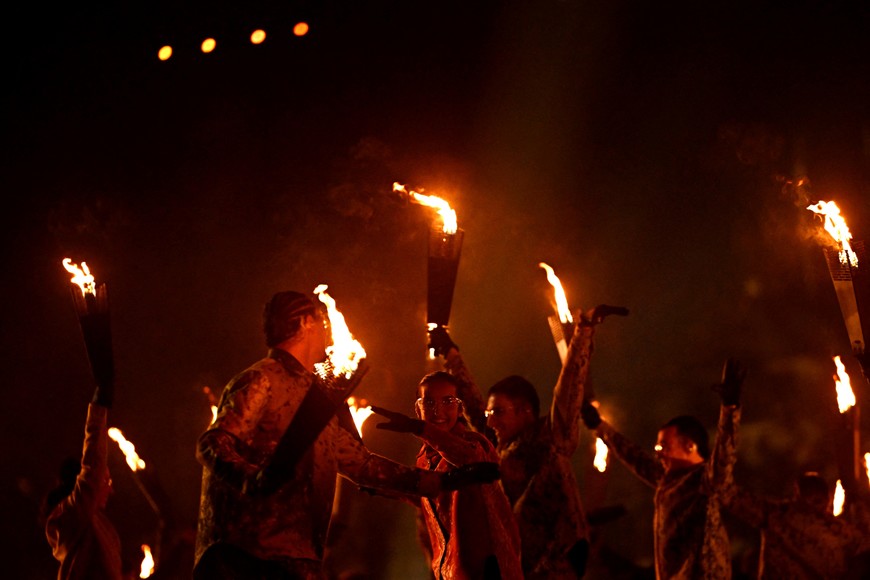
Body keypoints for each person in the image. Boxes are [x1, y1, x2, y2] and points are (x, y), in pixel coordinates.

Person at [194, 290, 498, 579]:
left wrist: (442, 482)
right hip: (246, 558)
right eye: (323, 324)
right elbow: (212, 444)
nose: (328, 335)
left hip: (299, 559)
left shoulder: (315, 397)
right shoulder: (262, 379)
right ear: (304, 323)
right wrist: (252, 479)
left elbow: (361, 465)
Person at [427, 305, 623, 578]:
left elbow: (568, 390)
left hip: (557, 571)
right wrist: (451, 354)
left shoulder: (550, 441)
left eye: (498, 412)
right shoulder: (500, 447)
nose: (491, 421)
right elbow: (473, 406)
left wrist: (583, 331)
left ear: (525, 412)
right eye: (490, 414)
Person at [580, 358, 745, 579]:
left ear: (690, 446)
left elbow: (725, 457)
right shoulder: (668, 480)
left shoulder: (705, 481)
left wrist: (730, 410)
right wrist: (598, 426)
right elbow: (635, 457)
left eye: (663, 445)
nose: (657, 452)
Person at [372, 371, 523, 579]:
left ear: (460, 408)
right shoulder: (424, 458)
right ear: (418, 408)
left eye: (448, 401)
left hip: (489, 571)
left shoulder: (475, 445)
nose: (438, 410)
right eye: (429, 402)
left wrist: (418, 428)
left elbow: (469, 461)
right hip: (451, 572)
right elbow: (434, 495)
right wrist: (384, 486)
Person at [44, 365, 122, 579]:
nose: (110, 490)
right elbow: (93, 468)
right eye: (106, 481)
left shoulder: (103, 529)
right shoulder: (72, 519)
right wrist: (98, 410)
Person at [725, 471, 870, 577]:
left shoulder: (774, 516)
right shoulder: (845, 534)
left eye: (816, 501)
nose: (811, 508)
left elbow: (731, 497)